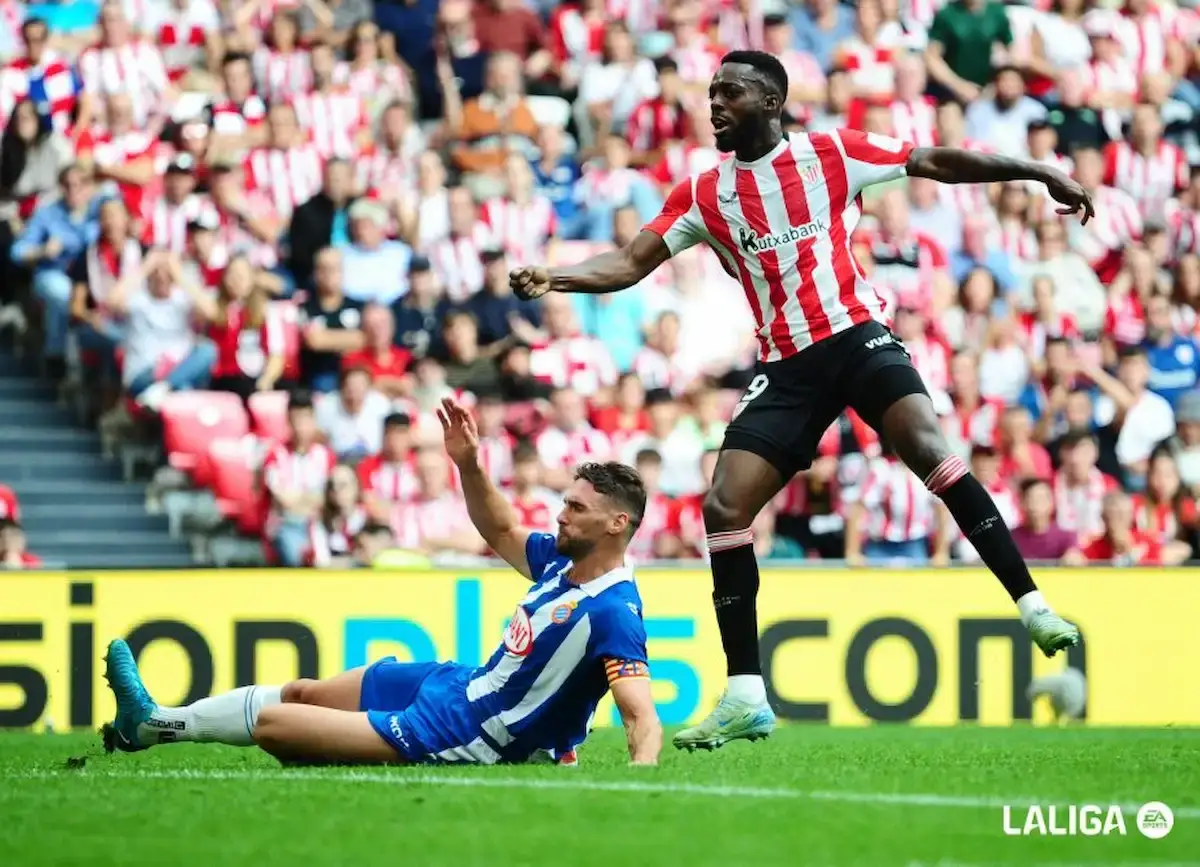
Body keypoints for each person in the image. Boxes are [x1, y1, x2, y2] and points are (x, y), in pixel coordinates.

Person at [509, 50, 1091, 752]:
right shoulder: (703, 194)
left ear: (773, 102)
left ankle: (1032, 605)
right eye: (712, 91)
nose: (715, 103)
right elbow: (632, 263)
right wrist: (557, 276)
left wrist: (1037, 170)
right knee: (723, 507)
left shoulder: (833, 154)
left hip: (855, 335)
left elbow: (935, 159)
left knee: (931, 449)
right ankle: (747, 694)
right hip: (787, 365)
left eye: (731, 92)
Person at [101, 396, 661, 767]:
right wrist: (468, 465)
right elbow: (500, 526)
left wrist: (639, 788)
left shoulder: (612, 611)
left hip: (469, 733)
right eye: (565, 502)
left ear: (617, 524)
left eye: (576, 508)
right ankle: (144, 724)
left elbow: (640, 715)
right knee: (303, 693)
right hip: (461, 684)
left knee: (276, 724)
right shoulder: (563, 560)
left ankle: (154, 725)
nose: (561, 515)